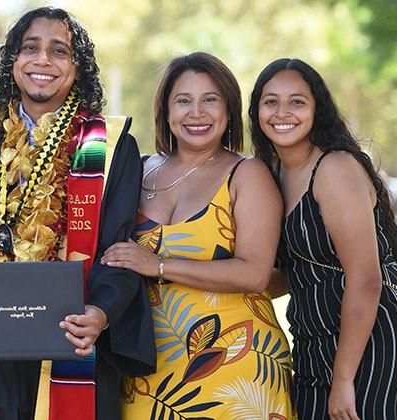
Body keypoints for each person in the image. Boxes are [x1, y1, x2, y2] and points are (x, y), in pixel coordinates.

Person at [0, 7, 155, 420]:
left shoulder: (109, 145)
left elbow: (119, 246)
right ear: (12, 61)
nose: (43, 61)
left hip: (75, 333)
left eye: (59, 51)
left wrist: (100, 313)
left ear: (77, 66)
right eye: (30, 48)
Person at [101, 52, 294, 419]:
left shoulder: (246, 173)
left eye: (210, 100)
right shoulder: (138, 170)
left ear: (228, 109)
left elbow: (254, 273)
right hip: (147, 367)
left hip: (235, 365)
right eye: (183, 101)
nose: (197, 113)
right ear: (166, 111)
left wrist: (157, 264)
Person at [249, 58, 397, 420]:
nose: (283, 112)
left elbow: (365, 279)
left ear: (318, 109)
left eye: (297, 101)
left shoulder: (335, 168)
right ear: (256, 111)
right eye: (271, 102)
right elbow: (298, 273)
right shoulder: (271, 172)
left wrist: (344, 377)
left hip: (368, 341)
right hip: (312, 343)